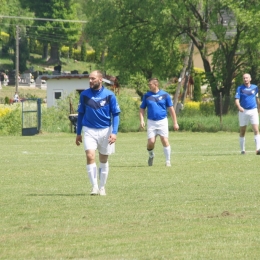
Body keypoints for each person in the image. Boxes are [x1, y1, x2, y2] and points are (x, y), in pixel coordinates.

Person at [75, 70, 121, 196]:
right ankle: (94, 186)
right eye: (89, 78)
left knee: (103, 160)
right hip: (89, 130)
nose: (90, 81)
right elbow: (80, 114)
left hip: (106, 130)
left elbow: (116, 115)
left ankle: (102, 187)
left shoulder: (109, 95)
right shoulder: (84, 95)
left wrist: (114, 133)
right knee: (90, 156)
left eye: (93, 79)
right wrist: (78, 132)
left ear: (100, 80)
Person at [139, 78, 179, 167]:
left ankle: (168, 161)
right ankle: (151, 155)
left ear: (156, 85)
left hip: (162, 121)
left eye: (150, 85)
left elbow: (171, 109)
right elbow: (142, 109)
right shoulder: (147, 96)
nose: (149, 86)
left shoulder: (165, 95)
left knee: (164, 140)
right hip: (151, 122)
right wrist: (142, 120)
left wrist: (175, 122)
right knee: (151, 142)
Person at [235, 73, 260, 155]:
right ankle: (242, 150)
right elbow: (236, 99)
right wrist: (239, 107)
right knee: (242, 130)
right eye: (244, 78)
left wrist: (258, 108)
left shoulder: (255, 87)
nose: (245, 79)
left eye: (247, 78)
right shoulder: (240, 88)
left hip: (253, 110)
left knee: (256, 129)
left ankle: (258, 149)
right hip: (243, 111)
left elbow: (257, 99)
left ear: (250, 79)